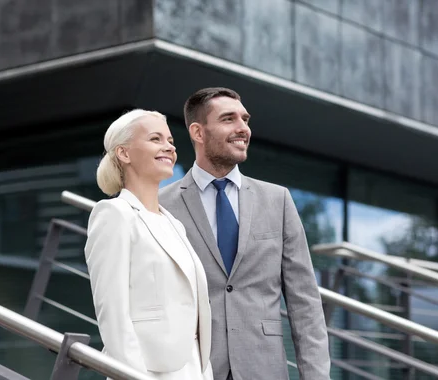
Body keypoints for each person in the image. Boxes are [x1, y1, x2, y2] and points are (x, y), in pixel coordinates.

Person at [159, 88, 331, 380]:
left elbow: (305, 302)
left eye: (245, 119)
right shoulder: (162, 205)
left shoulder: (278, 201)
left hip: (263, 369)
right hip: (192, 370)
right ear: (198, 132)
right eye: (229, 119)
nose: (243, 129)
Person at [84, 109, 213, 380]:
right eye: (155, 139)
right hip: (149, 372)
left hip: (192, 370)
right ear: (124, 153)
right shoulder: (114, 214)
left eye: (170, 141)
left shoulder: (174, 225)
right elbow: (113, 315)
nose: (168, 146)